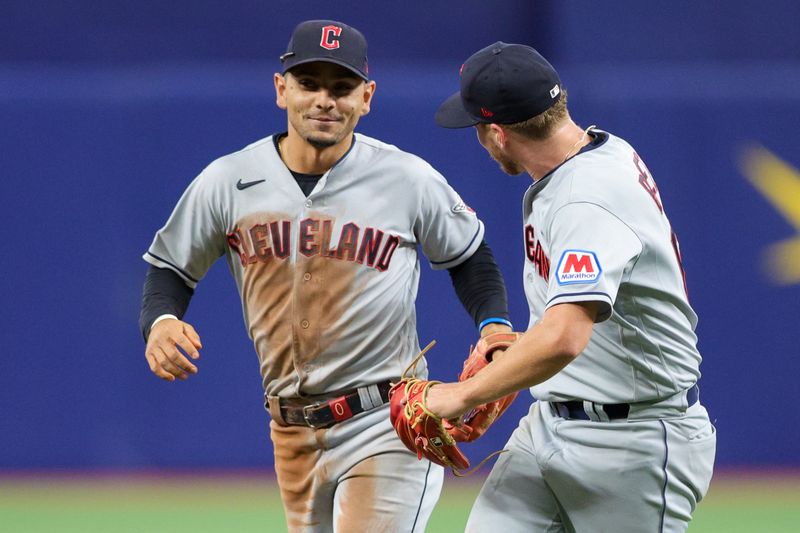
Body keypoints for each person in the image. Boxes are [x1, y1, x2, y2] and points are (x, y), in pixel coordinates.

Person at [138, 20, 512, 532]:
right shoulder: (228, 180)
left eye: (341, 88)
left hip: (388, 419)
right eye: (309, 84)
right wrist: (160, 321)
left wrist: (493, 324)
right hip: (290, 430)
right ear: (281, 89)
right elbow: (170, 268)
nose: (324, 100)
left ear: (367, 96)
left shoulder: (407, 178)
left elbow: (470, 257)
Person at [426, 42, 717, 532]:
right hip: (550, 426)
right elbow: (571, 323)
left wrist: (463, 395)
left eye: (476, 127)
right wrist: (517, 360)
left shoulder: (586, 197)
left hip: (634, 443)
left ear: (496, 133)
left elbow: (565, 336)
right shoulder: (594, 152)